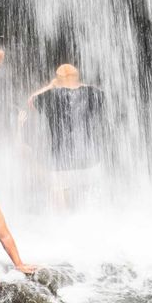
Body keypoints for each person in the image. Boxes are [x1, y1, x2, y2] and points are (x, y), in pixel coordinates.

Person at [25, 64, 106, 203]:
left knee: (61, 208)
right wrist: (78, 84)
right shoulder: (93, 93)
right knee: (92, 205)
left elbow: (31, 100)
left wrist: (51, 85)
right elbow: (101, 94)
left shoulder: (50, 96)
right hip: (89, 161)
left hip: (62, 162)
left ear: (58, 79)